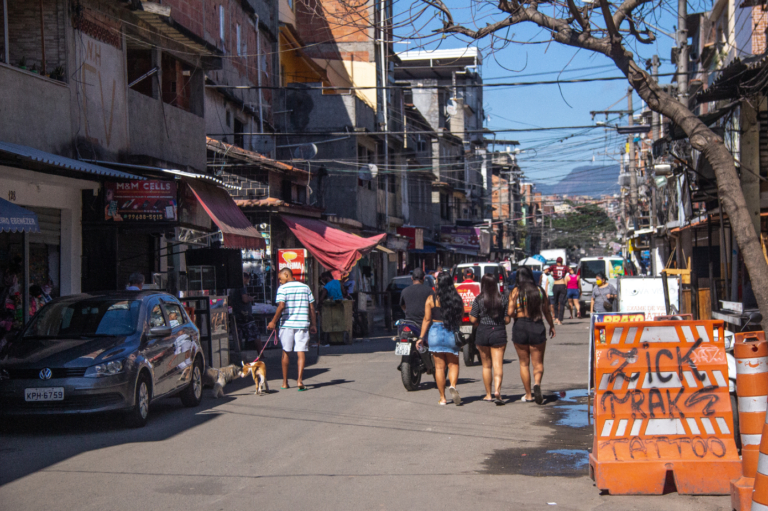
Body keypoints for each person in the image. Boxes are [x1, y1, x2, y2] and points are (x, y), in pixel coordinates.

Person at [416, 272, 464, 406]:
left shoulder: (431, 299)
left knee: (439, 368)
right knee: (453, 364)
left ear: (438, 284)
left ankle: (442, 398)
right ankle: (453, 385)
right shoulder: (456, 298)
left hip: (435, 333)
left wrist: (421, 337)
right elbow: (461, 315)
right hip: (451, 332)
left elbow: (426, 319)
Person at [509, 266, 555, 404]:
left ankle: (528, 394)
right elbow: (546, 311)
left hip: (520, 326)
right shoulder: (539, 291)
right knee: (538, 363)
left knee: (524, 363)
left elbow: (510, 313)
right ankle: (537, 384)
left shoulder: (515, 291)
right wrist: (552, 325)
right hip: (537, 325)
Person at [268, 268, 318, 391]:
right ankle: (299, 380)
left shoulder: (282, 289)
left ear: (287, 274)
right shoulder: (305, 287)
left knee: (286, 352)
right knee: (301, 352)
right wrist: (313, 324)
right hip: (302, 324)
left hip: (287, 325)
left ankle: (285, 382)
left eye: (280, 278)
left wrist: (273, 321)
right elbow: (311, 307)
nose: (279, 281)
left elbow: (281, 306)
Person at [469, 274, 510, 405]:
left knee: (486, 366)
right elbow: (507, 319)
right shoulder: (503, 299)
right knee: (498, 366)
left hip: (483, 331)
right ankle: (497, 390)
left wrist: (480, 321)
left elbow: (473, 318)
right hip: (498, 331)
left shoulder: (479, 299)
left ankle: (488, 394)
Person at [230, 273, 262, 353]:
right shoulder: (242, 286)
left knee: (238, 337)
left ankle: (239, 355)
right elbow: (244, 299)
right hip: (245, 315)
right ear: (245, 278)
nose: (248, 281)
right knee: (255, 334)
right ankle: (261, 355)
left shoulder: (233, 288)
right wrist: (250, 298)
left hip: (237, 314)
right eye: (248, 279)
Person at [548, 257, 569, 325]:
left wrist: (551, 272)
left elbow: (546, 270)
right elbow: (571, 271)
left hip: (556, 285)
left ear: (556, 261)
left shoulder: (553, 266)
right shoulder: (564, 267)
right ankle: (560, 320)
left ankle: (556, 318)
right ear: (562, 262)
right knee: (562, 303)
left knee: (556, 302)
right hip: (562, 284)